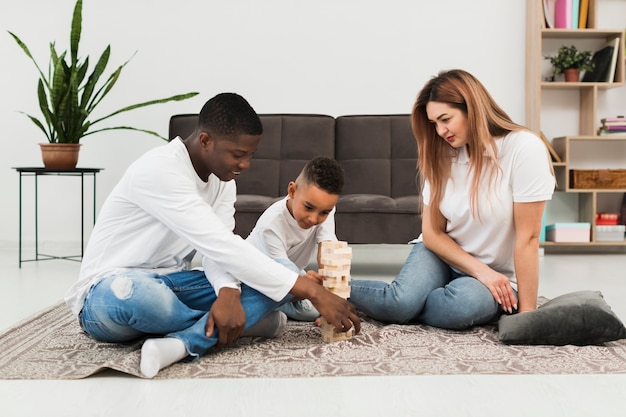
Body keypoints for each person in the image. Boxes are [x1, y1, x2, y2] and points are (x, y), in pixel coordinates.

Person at [64, 93, 360, 378]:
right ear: (205, 141)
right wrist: (313, 292)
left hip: (175, 283)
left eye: (250, 155)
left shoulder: (223, 181)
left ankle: (182, 343)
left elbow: (218, 251)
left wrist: (228, 291)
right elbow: (218, 243)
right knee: (150, 299)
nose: (245, 165)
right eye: (238, 154)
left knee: (280, 271)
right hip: (108, 293)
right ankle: (246, 322)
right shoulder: (160, 169)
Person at [349, 69, 555, 330]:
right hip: (442, 254)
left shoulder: (523, 149)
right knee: (398, 303)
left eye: (445, 119)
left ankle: (408, 303)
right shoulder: (442, 155)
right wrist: (480, 271)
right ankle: (317, 288)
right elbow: (432, 233)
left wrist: (527, 317)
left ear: (472, 108)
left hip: (499, 276)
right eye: (434, 123)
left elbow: (528, 238)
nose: (440, 130)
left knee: (459, 307)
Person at [246, 156, 344, 321]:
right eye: (308, 207)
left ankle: (269, 306)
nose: (314, 219)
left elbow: (328, 250)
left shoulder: (325, 207)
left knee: (314, 307)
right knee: (310, 309)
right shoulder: (271, 225)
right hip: (259, 278)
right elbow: (283, 276)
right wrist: (320, 299)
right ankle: (260, 304)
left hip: (291, 273)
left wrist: (333, 295)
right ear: (292, 191)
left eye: (324, 212)